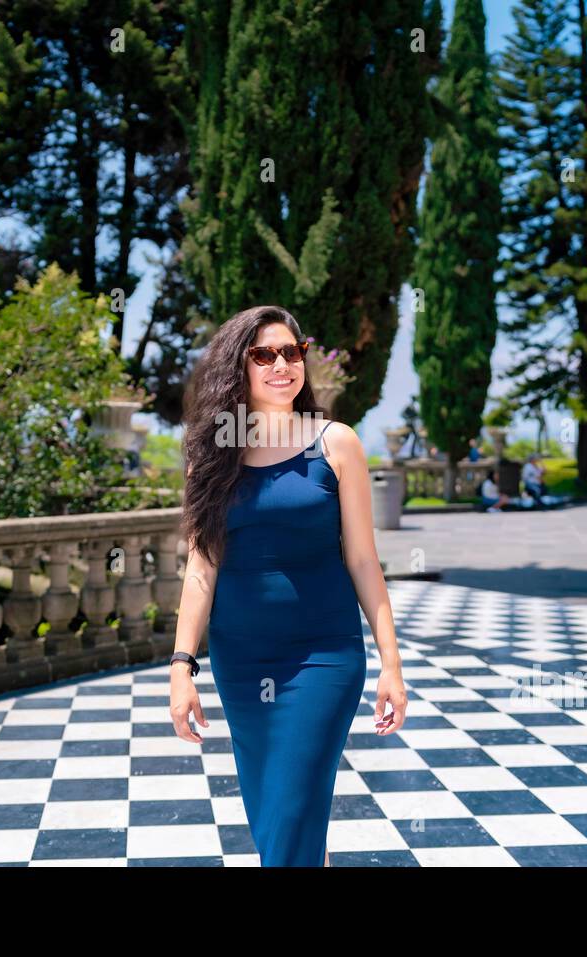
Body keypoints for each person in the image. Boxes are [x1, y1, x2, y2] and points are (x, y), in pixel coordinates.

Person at [169, 305, 408, 868]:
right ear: (239, 366)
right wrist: (182, 665)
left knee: (295, 805)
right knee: (275, 810)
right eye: (264, 354)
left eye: (292, 352)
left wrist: (391, 664)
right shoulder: (212, 455)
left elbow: (364, 561)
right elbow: (201, 569)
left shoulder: (336, 442)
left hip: (323, 657)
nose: (282, 364)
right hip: (242, 661)